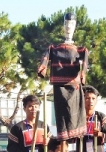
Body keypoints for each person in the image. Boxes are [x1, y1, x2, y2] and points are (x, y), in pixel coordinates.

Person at [37, 12, 89, 141]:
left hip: (74, 84)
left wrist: (82, 75)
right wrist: (42, 69)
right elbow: (45, 59)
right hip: (59, 85)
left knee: (75, 113)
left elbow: (85, 65)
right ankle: (64, 137)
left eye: (71, 23)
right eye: (66, 23)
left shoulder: (81, 50)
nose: (68, 26)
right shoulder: (53, 48)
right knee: (61, 114)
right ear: (63, 25)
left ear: (75, 25)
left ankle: (75, 135)